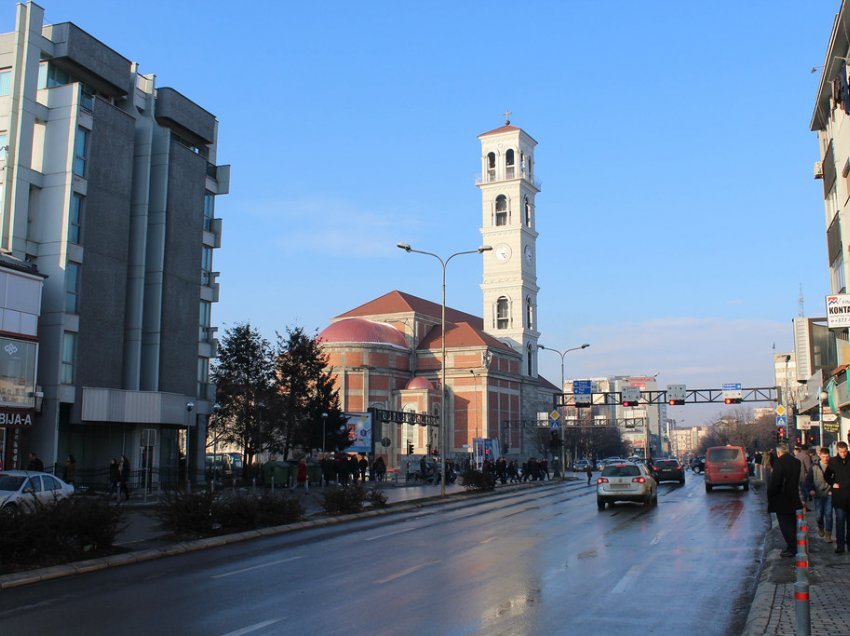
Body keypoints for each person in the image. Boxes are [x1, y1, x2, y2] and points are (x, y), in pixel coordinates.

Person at [767, 443, 803, 557]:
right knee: (792, 523)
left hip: (781, 498)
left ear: (778, 453)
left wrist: (771, 494)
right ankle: (794, 545)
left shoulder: (779, 462)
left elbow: (775, 482)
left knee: (784, 524)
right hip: (793, 496)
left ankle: (791, 547)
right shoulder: (796, 462)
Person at [826, 441, 850, 554]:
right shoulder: (833, 461)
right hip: (839, 496)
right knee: (840, 521)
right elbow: (827, 475)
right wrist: (832, 483)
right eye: (841, 452)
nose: (843, 454)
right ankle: (840, 545)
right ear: (837, 451)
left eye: (845, 451)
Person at [806, 447, 833, 543]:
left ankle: (828, 534)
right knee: (819, 515)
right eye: (824, 456)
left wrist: (832, 489)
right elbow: (808, 480)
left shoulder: (832, 466)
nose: (826, 458)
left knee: (829, 514)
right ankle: (820, 527)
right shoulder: (814, 467)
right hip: (817, 494)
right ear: (820, 456)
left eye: (827, 456)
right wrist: (811, 490)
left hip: (829, 493)